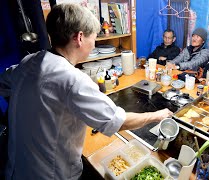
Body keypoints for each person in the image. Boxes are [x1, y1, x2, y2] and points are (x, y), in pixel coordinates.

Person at [0, 4, 172, 179]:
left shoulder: (28, 62)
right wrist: (157, 116)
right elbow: (118, 122)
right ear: (80, 37)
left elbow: (4, 85)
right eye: (94, 38)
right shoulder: (72, 79)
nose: (94, 44)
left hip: (15, 167)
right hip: (50, 174)